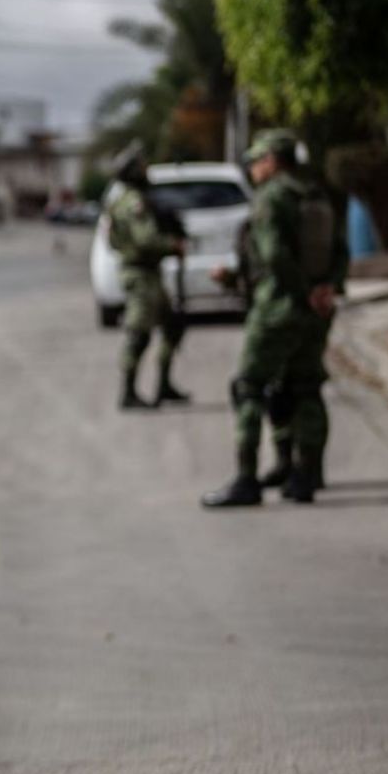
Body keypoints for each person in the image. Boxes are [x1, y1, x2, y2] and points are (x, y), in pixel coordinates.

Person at [202, 129, 337, 508]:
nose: (252, 170)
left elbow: (275, 255)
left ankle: (246, 481)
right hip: (317, 310)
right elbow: (338, 249)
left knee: (248, 387)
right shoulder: (314, 192)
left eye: (256, 161)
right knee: (305, 388)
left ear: (272, 161)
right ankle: (306, 475)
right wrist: (325, 289)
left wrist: (301, 291)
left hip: (279, 308)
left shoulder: (271, 198)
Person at [107, 141, 190, 409]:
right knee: (139, 334)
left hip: (148, 274)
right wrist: (172, 244)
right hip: (140, 275)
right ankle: (128, 393)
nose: (147, 170)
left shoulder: (128, 199)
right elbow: (145, 238)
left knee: (173, 325)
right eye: (142, 166)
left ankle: (164, 386)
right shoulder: (133, 202)